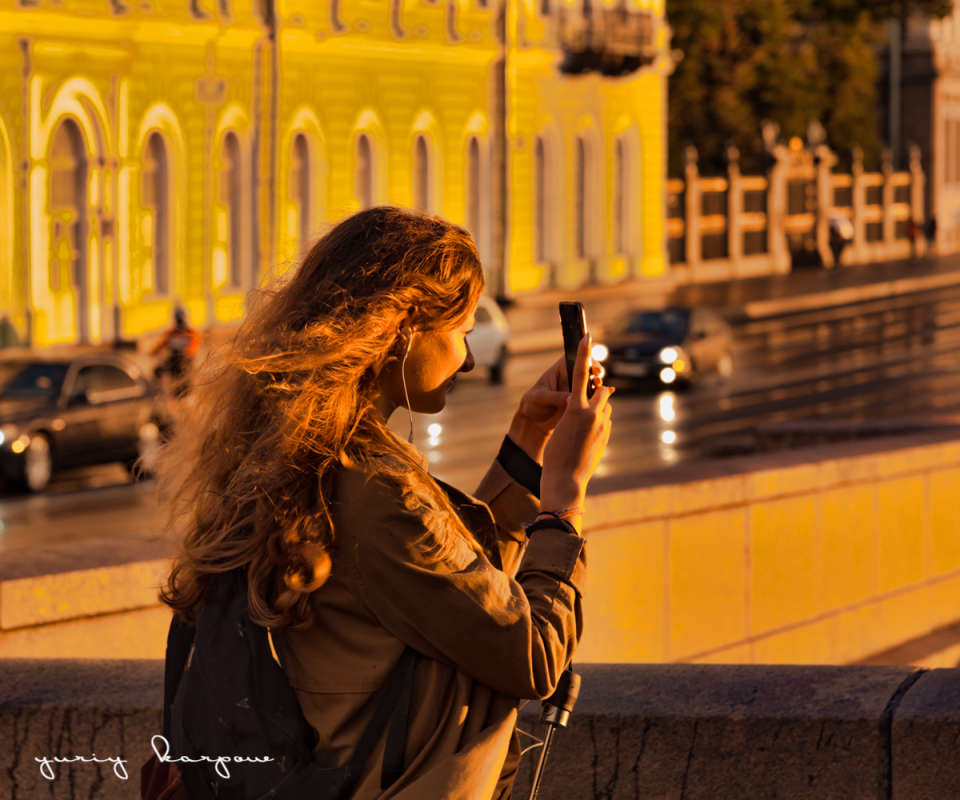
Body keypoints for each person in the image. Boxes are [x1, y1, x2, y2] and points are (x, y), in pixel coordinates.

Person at [146, 207, 613, 799]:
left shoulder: (306, 458)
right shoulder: (375, 491)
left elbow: (451, 591)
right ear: (405, 327)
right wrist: (564, 503)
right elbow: (531, 653)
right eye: (463, 331)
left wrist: (527, 443)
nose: (469, 359)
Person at [149, 307, 202, 399]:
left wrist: (186, 353)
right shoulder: (172, 333)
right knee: (157, 370)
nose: (179, 322)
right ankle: (159, 392)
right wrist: (153, 352)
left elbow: (194, 347)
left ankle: (187, 392)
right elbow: (162, 344)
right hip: (174, 359)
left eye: (180, 320)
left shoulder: (191, 333)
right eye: (178, 320)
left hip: (185, 360)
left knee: (185, 376)